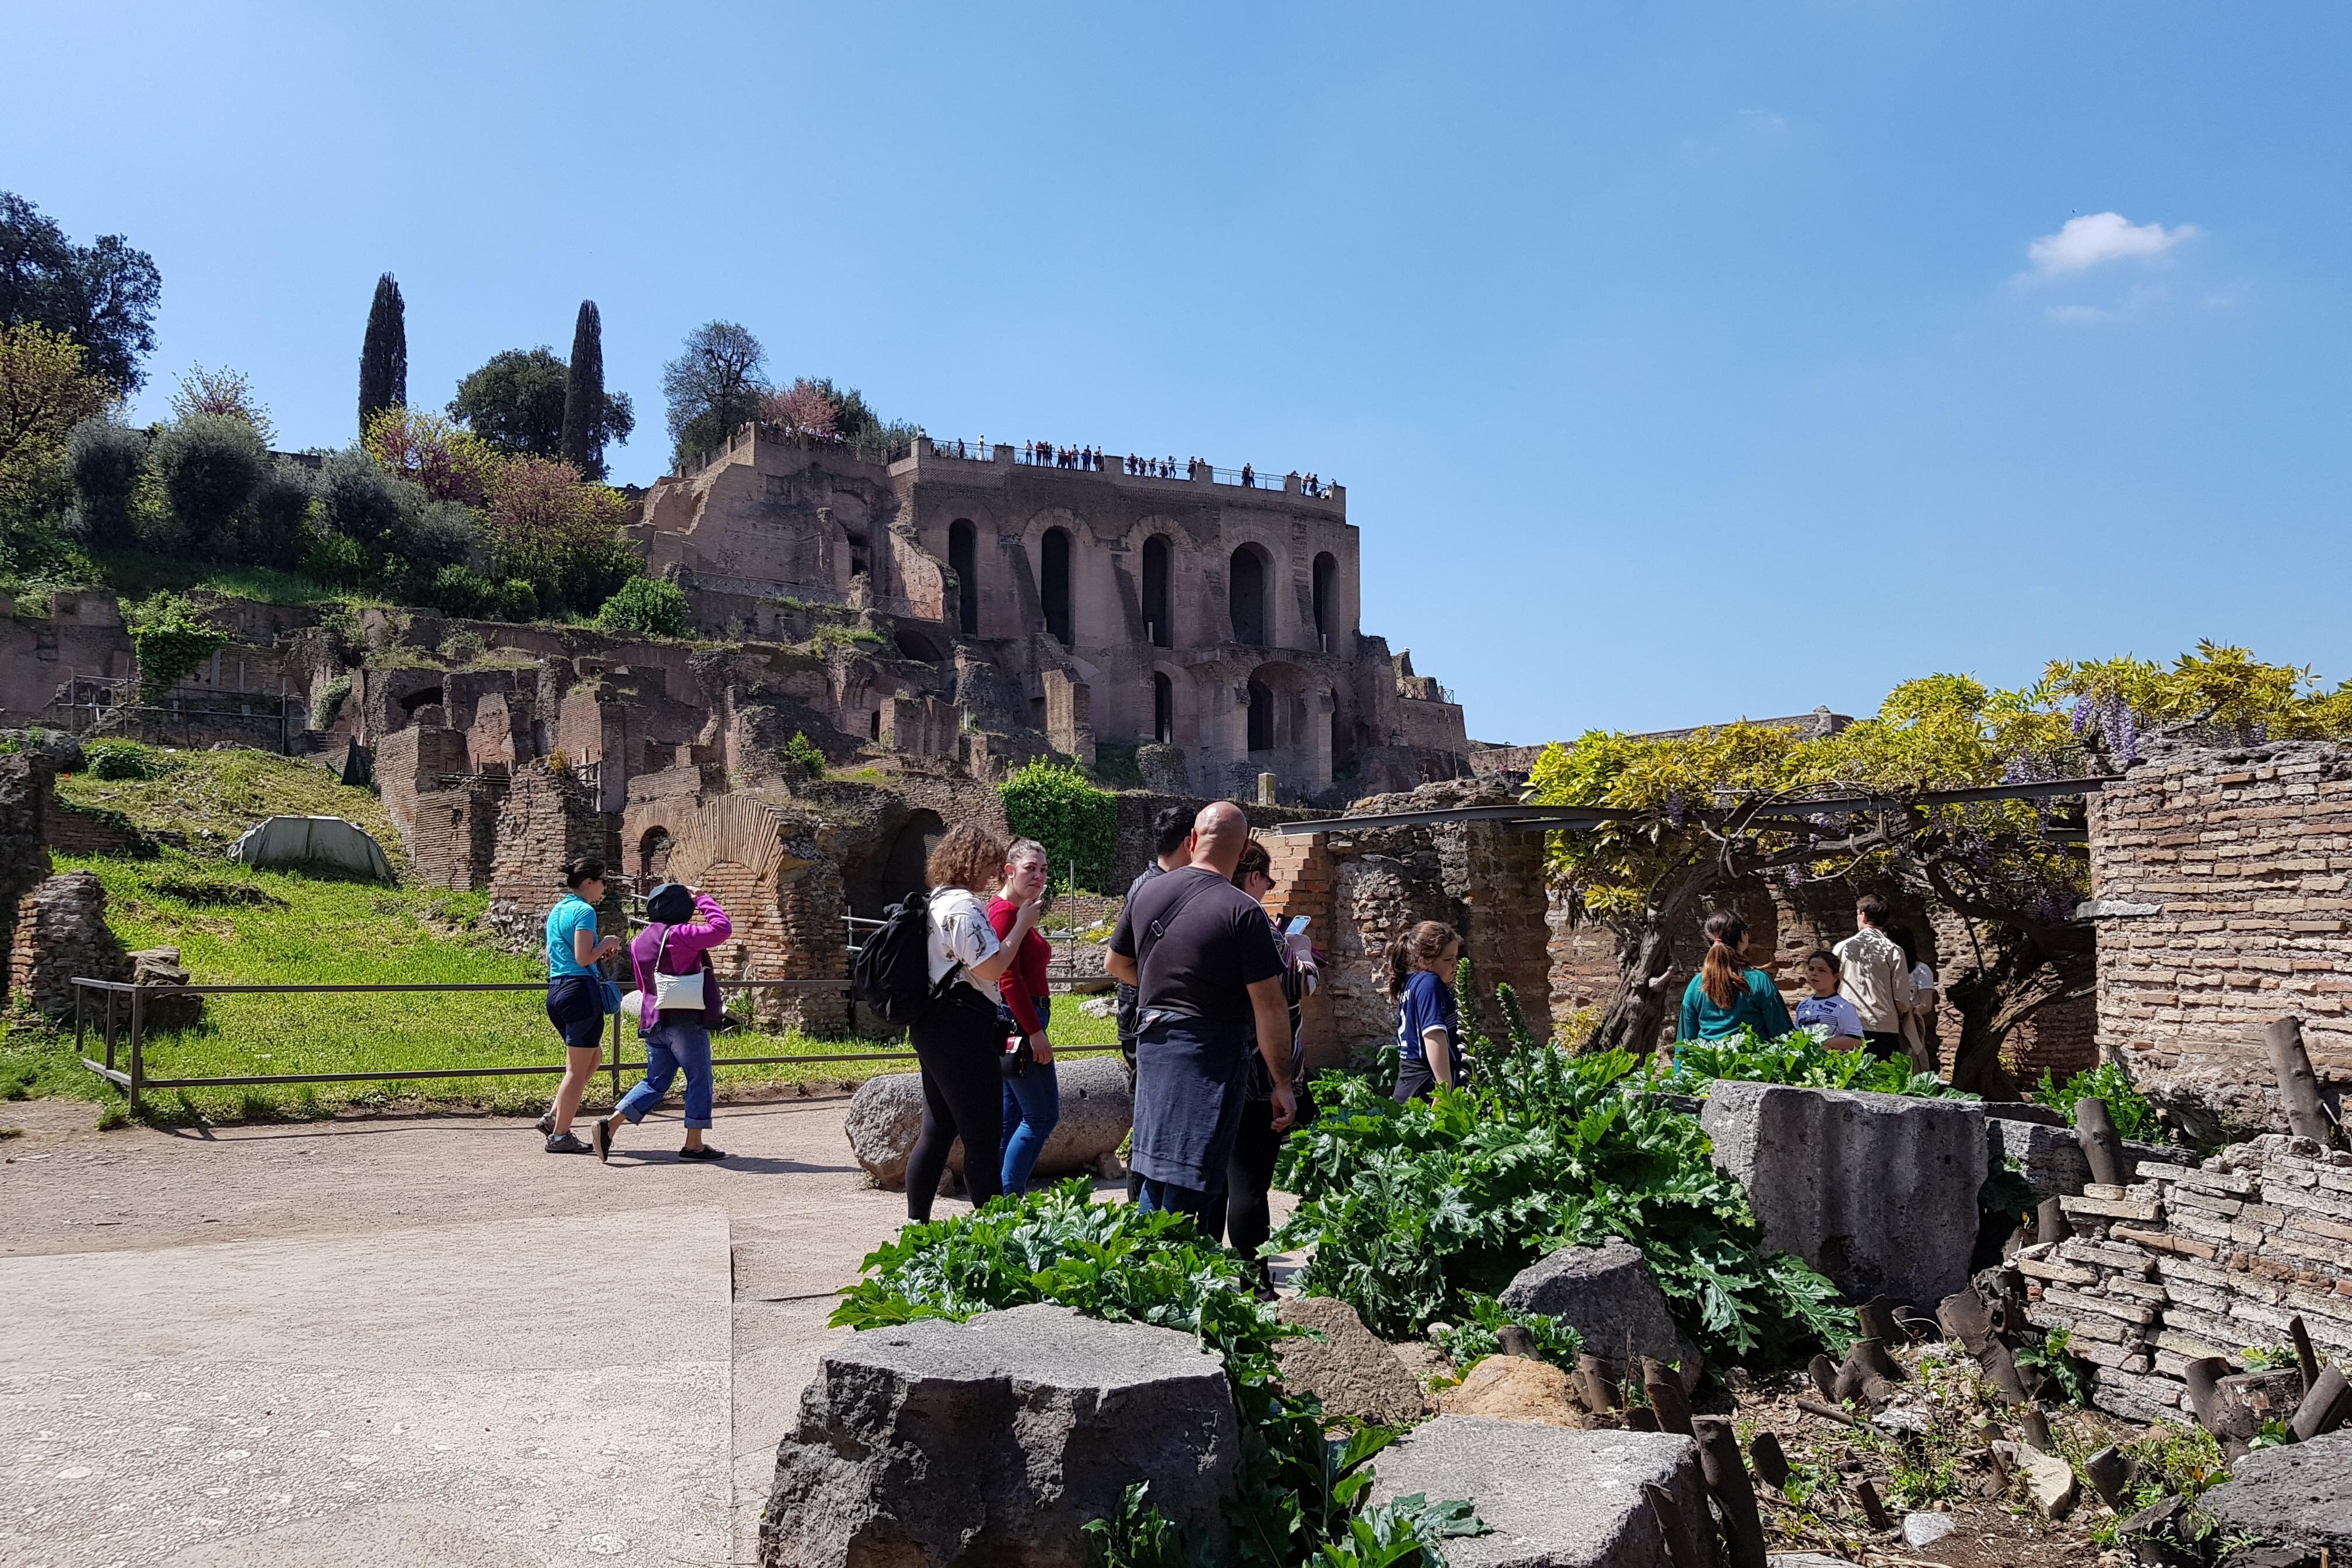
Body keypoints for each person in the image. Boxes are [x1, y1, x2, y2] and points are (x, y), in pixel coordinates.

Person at [1104, 803, 1297, 1220]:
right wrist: (1283, 1083)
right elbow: (1270, 1008)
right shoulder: (1245, 911)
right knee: (1193, 1183)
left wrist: (1166, 991)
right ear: (1243, 852)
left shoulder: (1147, 892)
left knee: (1155, 1172)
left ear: (1192, 841)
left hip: (1153, 1047)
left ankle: (1150, 1257)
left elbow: (1115, 964)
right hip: (1211, 1057)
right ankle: (1183, 1261)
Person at [904, 823, 1041, 1222]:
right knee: (983, 1135)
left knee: (938, 1128)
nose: (994, 873)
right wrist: (1021, 926)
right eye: (989, 864)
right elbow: (991, 968)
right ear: (971, 862)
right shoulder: (964, 906)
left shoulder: (935, 901)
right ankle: (994, 1234)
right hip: (961, 1029)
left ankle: (916, 1225)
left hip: (932, 1024)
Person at [1204, 836, 1311, 1289]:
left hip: (1212, 1065)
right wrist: (1301, 951)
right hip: (1260, 1072)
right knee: (1250, 1181)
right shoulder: (1257, 924)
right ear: (1252, 877)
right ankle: (1254, 1282)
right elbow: (1294, 988)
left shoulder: (1205, 915)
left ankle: (1207, 1275)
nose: (1269, 889)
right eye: (1268, 880)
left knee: (1216, 1179)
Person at [592, 882, 732, 1163]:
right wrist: (703, 899)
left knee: (656, 1081)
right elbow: (722, 928)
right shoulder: (681, 934)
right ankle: (694, 1145)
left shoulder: (640, 940)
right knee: (699, 1077)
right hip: (685, 1019)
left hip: (654, 1019)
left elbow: (643, 984)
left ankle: (611, 1124)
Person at [1114, 805, 1197, 1199]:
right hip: (1144, 1017)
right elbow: (1122, 962)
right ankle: (1141, 1206)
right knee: (1151, 1117)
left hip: (1142, 1014)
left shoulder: (1150, 884)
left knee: (1152, 1116)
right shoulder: (1155, 889)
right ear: (1189, 842)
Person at [538, 857, 624, 1154]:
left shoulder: (558, 909)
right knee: (577, 1069)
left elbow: (557, 955)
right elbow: (583, 958)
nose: (605, 888)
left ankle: (554, 1118)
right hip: (580, 992)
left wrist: (597, 951)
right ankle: (560, 1135)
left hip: (558, 990)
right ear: (589, 882)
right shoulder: (585, 911)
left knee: (592, 1058)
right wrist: (607, 943)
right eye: (603, 881)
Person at [991, 838, 1060, 1196]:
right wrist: (1034, 1031)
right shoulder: (1006, 914)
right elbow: (1008, 980)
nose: (1038, 876)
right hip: (1021, 1021)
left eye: (1043, 870)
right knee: (1042, 1116)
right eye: (1030, 868)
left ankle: (997, 1200)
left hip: (1021, 1019)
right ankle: (1009, 1197)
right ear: (1009, 871)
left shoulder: (1019, 912)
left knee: (1013, 1115)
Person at [1676, 910, 1796, 1045]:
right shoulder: (1759, 981)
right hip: (1752, 1058)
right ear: (1743, 936)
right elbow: (1783, 1034)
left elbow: (1685, 1041)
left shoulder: (1697, 984)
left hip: (1709, 1058)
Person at [1387, 921, 1464, 1101]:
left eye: (1456, 957)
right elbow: (1433, 1036)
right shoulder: (1430, 982)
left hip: (1409, 1083)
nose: (1456, 964)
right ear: (1424, 962)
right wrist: (1444, 1088)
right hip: (1427, 1086)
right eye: (1448, 959)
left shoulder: (1413, 982)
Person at [1833, 895, 1916, 1064]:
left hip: (1848, 1022)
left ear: (1863, 915)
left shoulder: (1843, 948)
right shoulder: (1894, 950)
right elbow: (1902, 999)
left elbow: (1831, 985)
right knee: (1882, 1075)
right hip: (1884, 1024)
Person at [1888, 922, 1940, 1075]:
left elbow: (1926, 1004)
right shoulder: (1884, 970)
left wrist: (1908, 1014)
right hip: (1886, 1025)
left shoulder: (1921, 970)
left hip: (1909, 1024)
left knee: (1912, 1064)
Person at [1793, 949, 1867, 1048]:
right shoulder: (1803, 1005)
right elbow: (1796, 1036)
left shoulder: (1844, 1007)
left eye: (1822, 970)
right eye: (1811, 969)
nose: (1814, 974)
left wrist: (1819, 1043)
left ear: (1835, 977)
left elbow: (1856, 1041)